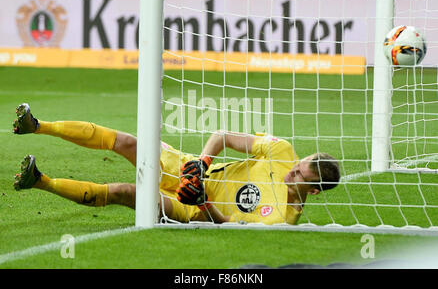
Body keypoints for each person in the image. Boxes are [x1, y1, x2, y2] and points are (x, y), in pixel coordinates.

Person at [13, 103, 340, 225]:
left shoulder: (281, 220)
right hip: (193, 170)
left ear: (313, 191)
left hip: (195, 208)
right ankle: (37, 125)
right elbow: (223, 135)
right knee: (130, 143)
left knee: (128, 193)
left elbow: (226, 225)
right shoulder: (282, 151)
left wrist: (202, 202)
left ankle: (39, 181)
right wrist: (200, 163)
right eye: (299, 163)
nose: (291, 168)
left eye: (298, 174)